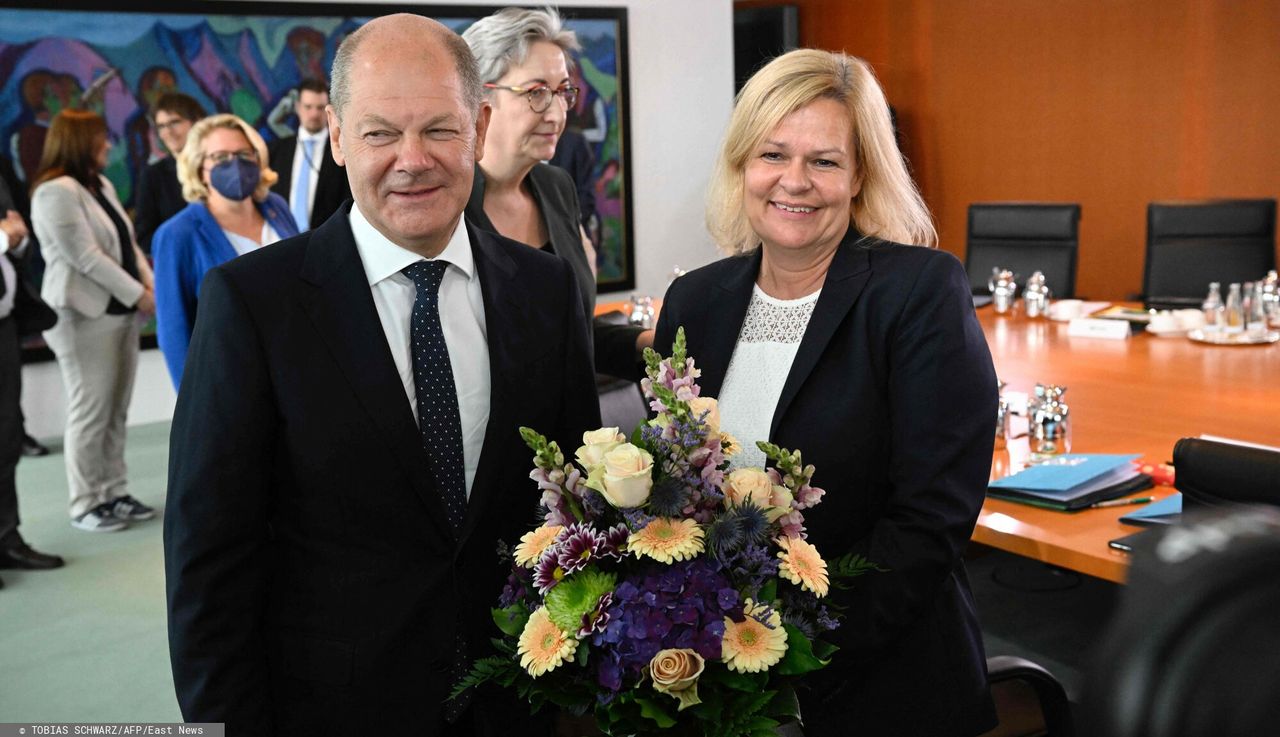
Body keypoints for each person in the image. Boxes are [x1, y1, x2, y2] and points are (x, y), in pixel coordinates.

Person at [163, 14, 599, 736]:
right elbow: (209, 564)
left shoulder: (545, 292)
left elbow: (573, 516)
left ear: (480, 125)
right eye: (379, 133)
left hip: (517, 705)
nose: (412, 159)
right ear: (336, 136)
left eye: (438, 129)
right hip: (332, 711)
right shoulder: (254, 306)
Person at [653, 49, 998, 736]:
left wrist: (793, 651)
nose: (795, 182)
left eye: (825, 160)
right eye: (773, 154)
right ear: (742, 165)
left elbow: (930, 522)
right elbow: (675, 497)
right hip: (720, 687)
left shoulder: (920, 291)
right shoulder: (697, 300)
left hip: (877, 686)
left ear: (861, 173)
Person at [461, 7, 649, 379]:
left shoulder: (557, 188)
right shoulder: (449, 206)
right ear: (479, 99)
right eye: (536, 93)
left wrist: (649, 343)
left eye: (562, 92)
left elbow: (573, 337)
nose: (557, 113)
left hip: (572, 431)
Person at [30, 110, 157, 534]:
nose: (108, 146)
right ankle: (86, 502)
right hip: (81, 315)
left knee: (115, 408)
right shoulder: (54, 192)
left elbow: (126, 241)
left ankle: (114, 492)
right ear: (80, 141)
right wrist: (139, 295)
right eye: (101, 139)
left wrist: (148, 281)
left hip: (117, 313)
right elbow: (85, 257)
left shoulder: (97, 184)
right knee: (91, 410)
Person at [152, 114, 297, 387]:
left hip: (295, 368)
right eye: (220, 157)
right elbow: (174, 332)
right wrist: (194, 404)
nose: (235, 164)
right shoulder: (178, 234)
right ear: (199, 169)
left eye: (244, 154)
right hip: (232, 380)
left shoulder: (276, 208)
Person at [1, 156, 64, 588]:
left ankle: (7, 537)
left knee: (6, 439)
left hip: (4, 324)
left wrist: (16, 240)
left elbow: (13, 239)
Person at [268, 78, 351, 231]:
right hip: (280, 241)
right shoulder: (276, 151)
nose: (313, 114)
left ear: (329, 111)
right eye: (308, 107)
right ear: (298, 107)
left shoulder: (344, 152)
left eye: (320, 108)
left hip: (327, 240)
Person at [133, 92, 207, 253]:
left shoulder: (217, 163)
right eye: (161, 126)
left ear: (197, 121)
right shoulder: (153, 176)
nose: (168, 132)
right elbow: (145, 237)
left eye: (174, 122)